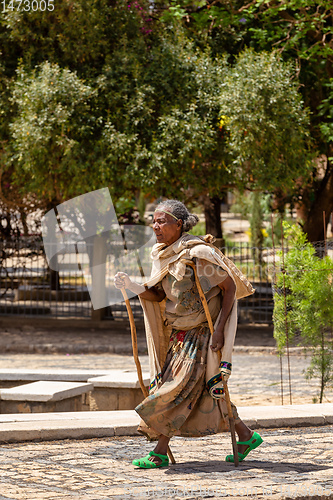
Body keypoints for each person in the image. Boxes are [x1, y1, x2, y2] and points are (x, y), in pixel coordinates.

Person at [114, 199, 263, 468]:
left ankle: (158, 452)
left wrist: (219, 331)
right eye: (154, 220)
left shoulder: (197, 255)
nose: (155, 226)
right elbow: (158, 294)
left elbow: (229, 288)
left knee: (175, 391)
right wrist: (133, 285)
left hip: (201, 335)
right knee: (204, 392)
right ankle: (245, 435)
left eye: (162, 221)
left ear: (179, 224)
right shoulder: (163, 255)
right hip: (178, 336)